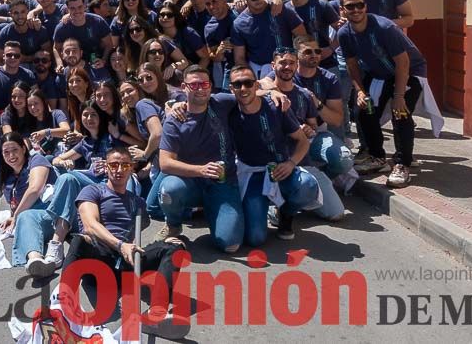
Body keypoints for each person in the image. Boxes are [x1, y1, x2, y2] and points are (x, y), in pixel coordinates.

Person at [64, 146, 186, 326]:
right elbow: (90, 225)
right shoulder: (93, 191)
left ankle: (156, 314)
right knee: (80, 240)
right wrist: (120, 245)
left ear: (131, 168)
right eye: (113, 165)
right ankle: (62, 305)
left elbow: (137, 233)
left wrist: (161, 244)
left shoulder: (138, 203)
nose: (119, 170)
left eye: (124, 165)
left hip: (126, 264)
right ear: (106, 167)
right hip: (98, 262)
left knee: (175, 247)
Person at [337, 0, 428, 188]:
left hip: (410, 72)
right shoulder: (344, 33)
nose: (356, 10)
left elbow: (403, 63)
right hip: (379, 74)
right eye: (350, 6)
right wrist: (360, 91)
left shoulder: (384, 27)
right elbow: (352, 65)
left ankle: (402, 163)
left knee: (401, 113)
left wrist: (399, 95)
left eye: (359, 5)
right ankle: (377, 156)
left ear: (365, 6)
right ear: (342, 10)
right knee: (363, 109)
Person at [225, 65, 319, 244]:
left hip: (281, 169)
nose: (243, 88)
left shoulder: (276, 107)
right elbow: (200, 100)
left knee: (307, 186)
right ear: (231, 88)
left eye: (248, 83)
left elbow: (303, 141)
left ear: (256, 85)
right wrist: (174, 105)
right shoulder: (228, 110)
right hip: (251, 173)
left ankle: (286, 213)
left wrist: (291, 163)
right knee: (256, 239)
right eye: (238, 85)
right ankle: (262, 209)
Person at [156, 66, 241, 249]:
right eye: (194, 85)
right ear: (184, 87)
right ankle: (173, 224)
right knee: (169, 189)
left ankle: (213, 209)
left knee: (230, 245)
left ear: (211, 86)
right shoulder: (175, 119)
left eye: (205, 84)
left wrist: (274, 93)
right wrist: (200, 170)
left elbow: (249, 93)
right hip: (191, 182)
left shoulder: (221, 102)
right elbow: (165, 163)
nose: (201, 89)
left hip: (222, 182)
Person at [0, 132, 58, 273]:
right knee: (25, 218)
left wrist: (15, 216)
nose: (11, 156)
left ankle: (35, 259)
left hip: (52, 212)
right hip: (31, 217)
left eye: (15, 150)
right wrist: (12, 216)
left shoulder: (37, 160)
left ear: (23, 149)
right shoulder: (8, 177)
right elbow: (15, 204)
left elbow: (35, 189)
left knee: (25, 217)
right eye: (6, 152)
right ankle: (35, 262)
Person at [231, 0, 307, 77]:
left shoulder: (279, 8)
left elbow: (302, 37)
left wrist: (298, 63)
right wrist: (251, 78)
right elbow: (239, 58)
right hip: (260, 71)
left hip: (288, 67)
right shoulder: (239, 24)